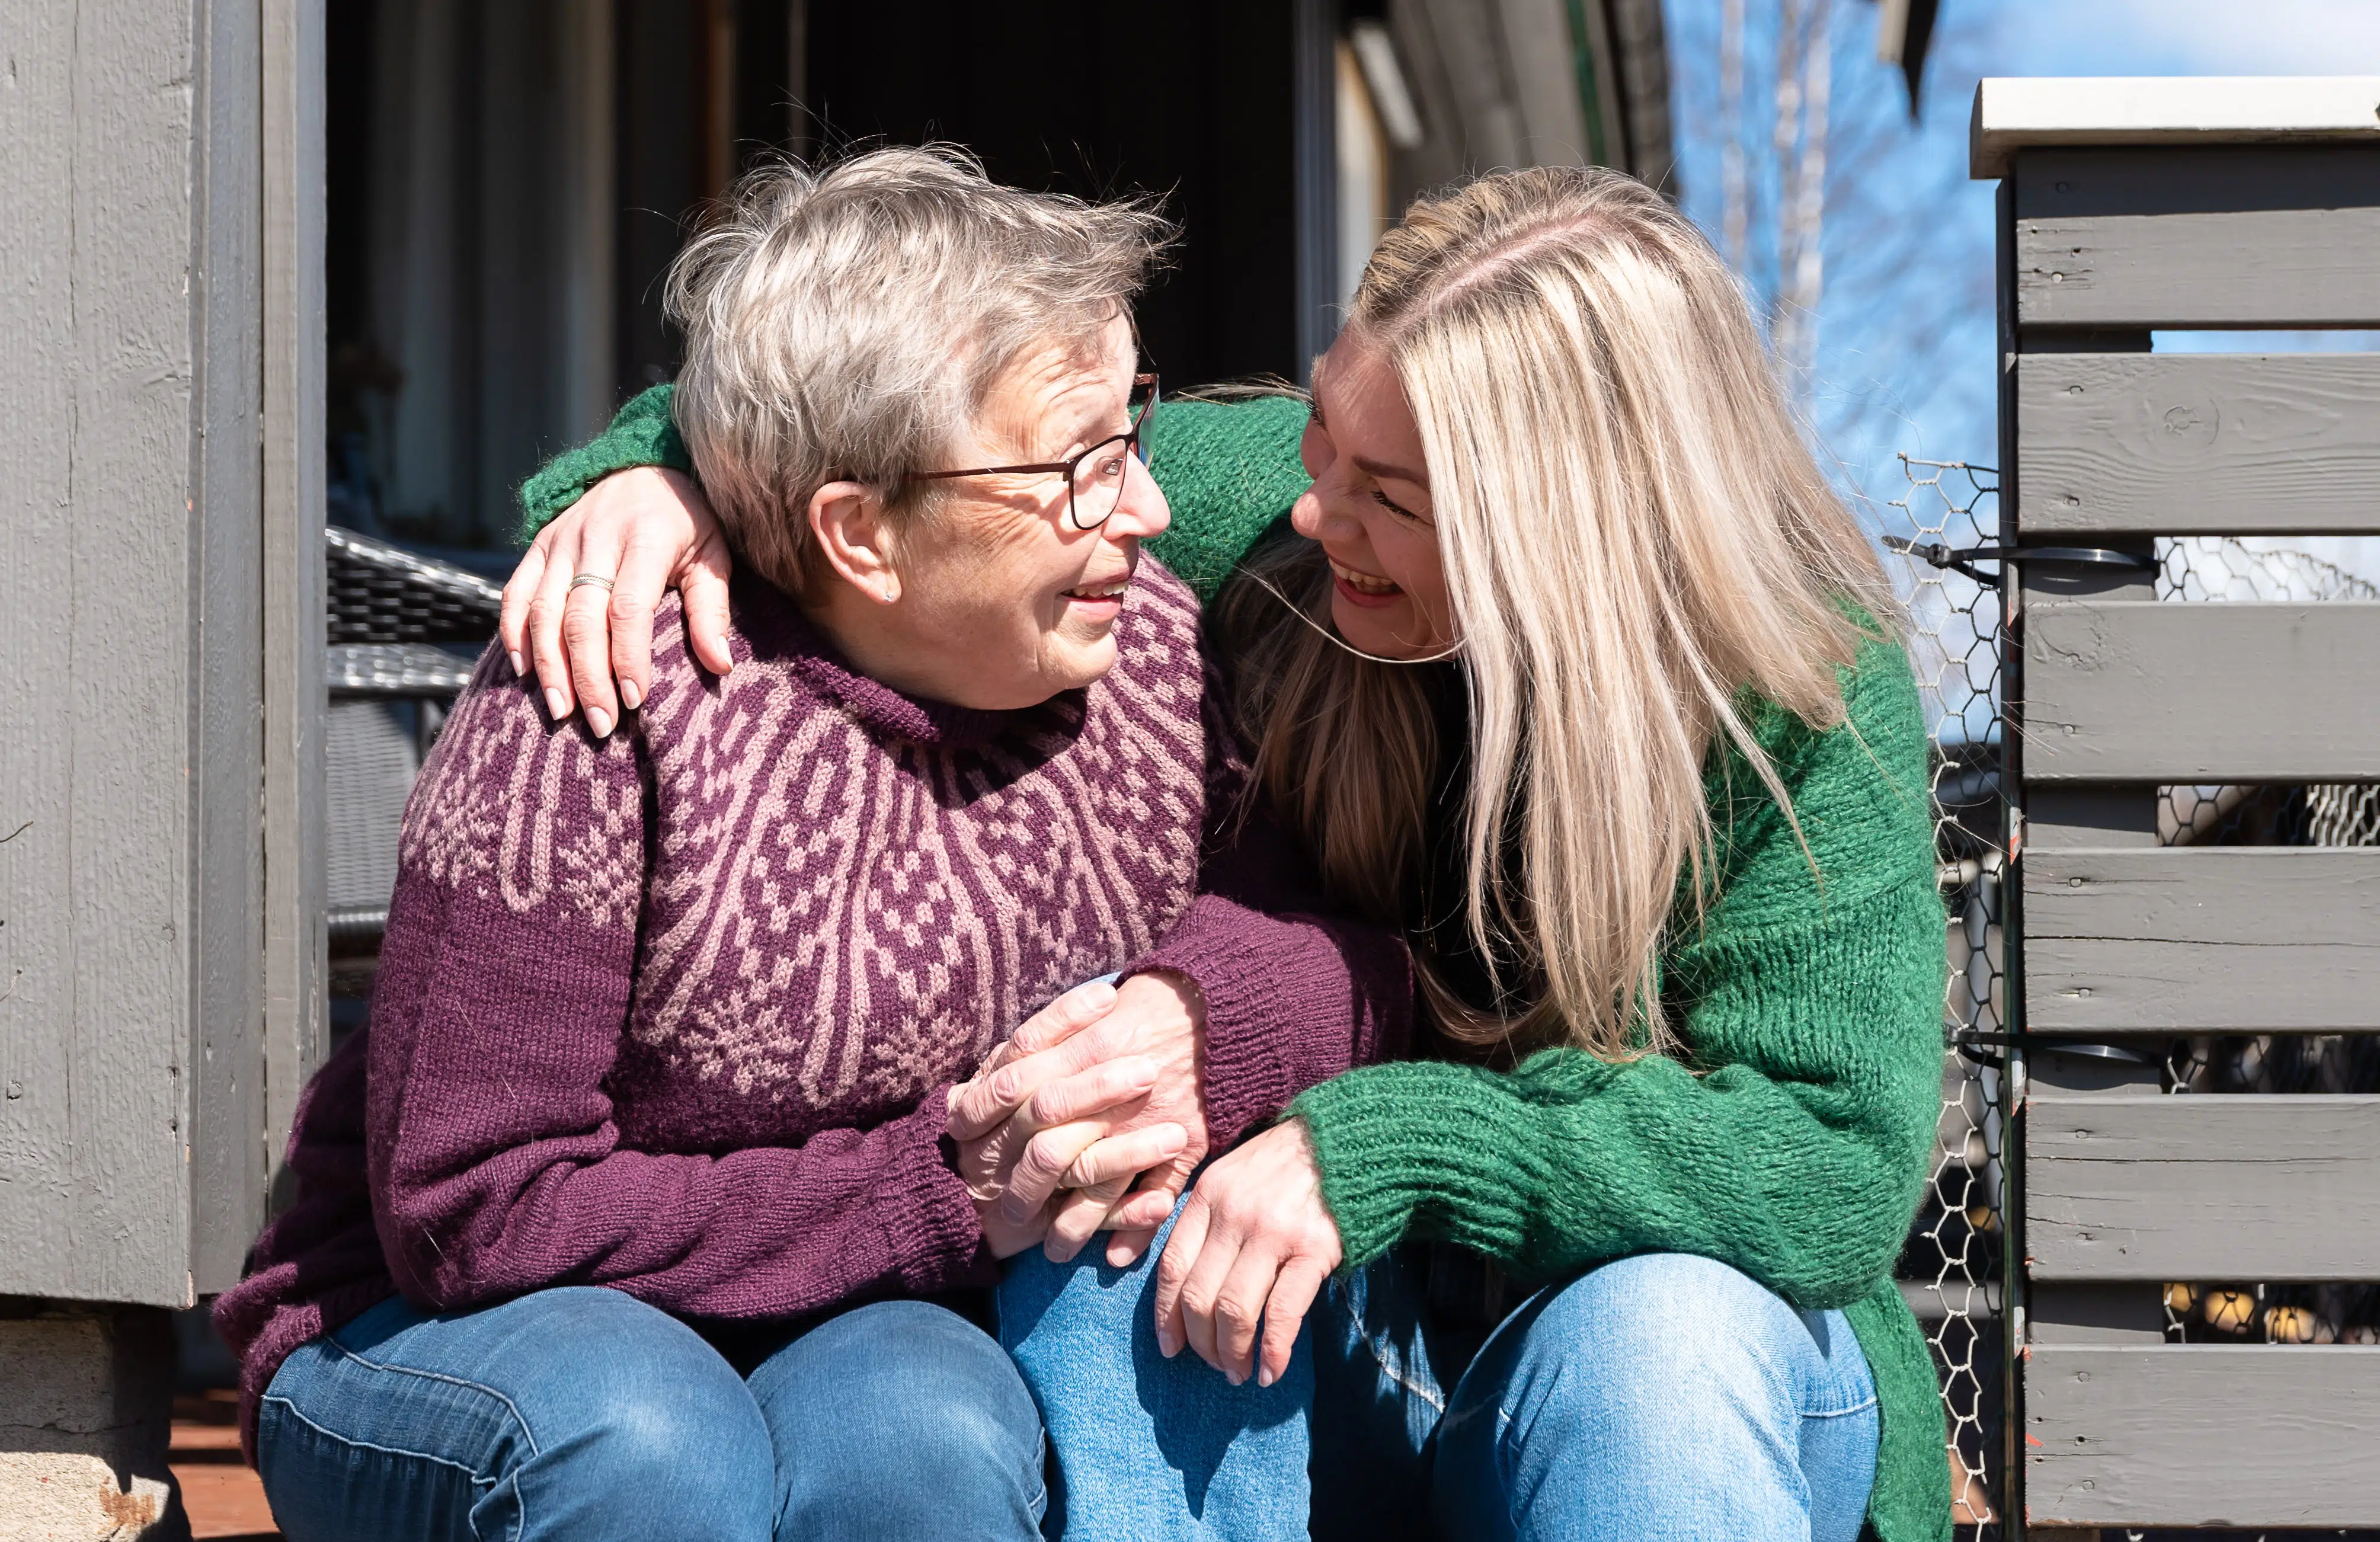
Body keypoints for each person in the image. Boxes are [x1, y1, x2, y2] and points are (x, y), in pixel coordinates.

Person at [509, 164, 1952, 1542]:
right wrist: (663, 481)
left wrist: (1386, 1143)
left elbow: (1828, 1162)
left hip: (1663, 1387)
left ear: (1569, 534)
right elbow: (869, 428)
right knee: (1116, 1193)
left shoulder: (1798, 692)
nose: (1319, 508)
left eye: (1390, 495)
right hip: (1333, 1359)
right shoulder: (1270, 515)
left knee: (1655, 1334)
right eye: (1326, 435)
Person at [212, 147, 1407, 1542]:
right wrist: (926, 1192)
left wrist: (1207, 1016)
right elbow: (470, 1210)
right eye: (1080, 465)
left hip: (862, 1307)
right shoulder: (603, 700)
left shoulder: (1155, 663)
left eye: (1128, 436)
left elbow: (1352, 959)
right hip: (444, 1328)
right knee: (652, 1451)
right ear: (860, 536)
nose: (1142, 510)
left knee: (931, 1445)